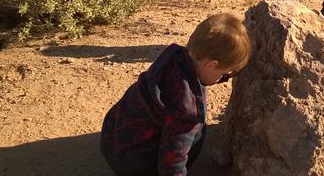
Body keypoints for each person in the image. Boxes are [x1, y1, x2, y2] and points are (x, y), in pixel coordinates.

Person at [100, 13, 251, 175]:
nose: (224, 77)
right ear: (211, 65)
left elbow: (209, 75)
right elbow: (173, 159)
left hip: (111, 142)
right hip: (134, 165)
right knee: (197, 131)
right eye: (224, 73)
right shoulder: (186, 108)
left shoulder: (172, 57)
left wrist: (227, 72)